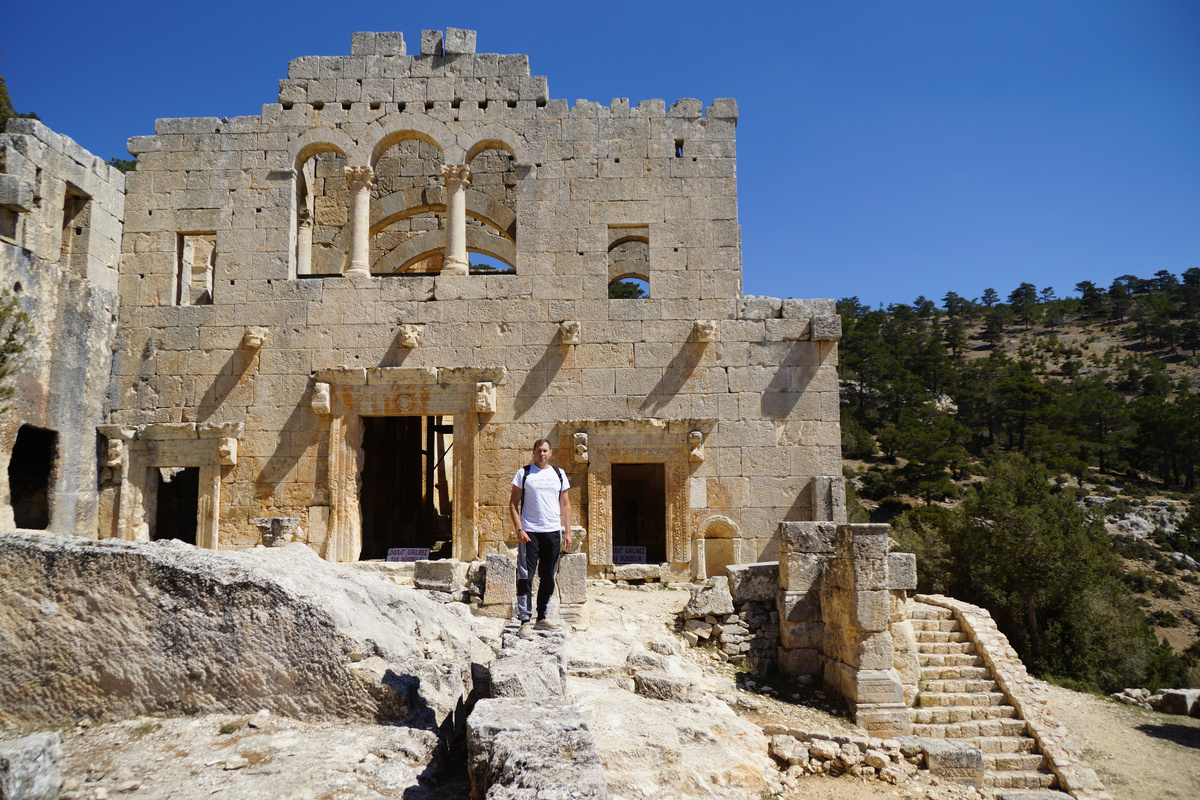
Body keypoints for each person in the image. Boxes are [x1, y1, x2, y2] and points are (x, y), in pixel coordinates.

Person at [509, 438, 573, 638]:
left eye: (545, 451)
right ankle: (525, 620)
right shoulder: (524, 473)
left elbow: (565, 505)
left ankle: (542, 616)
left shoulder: (558, 474)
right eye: (538, 451)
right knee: (525, 576)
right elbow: (513, 504)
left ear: (551, 453)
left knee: (548, 576)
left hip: (552, 531)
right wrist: (519, 529)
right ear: (533, 452)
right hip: (530, 532)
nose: (542, 454)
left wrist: (567, 531)